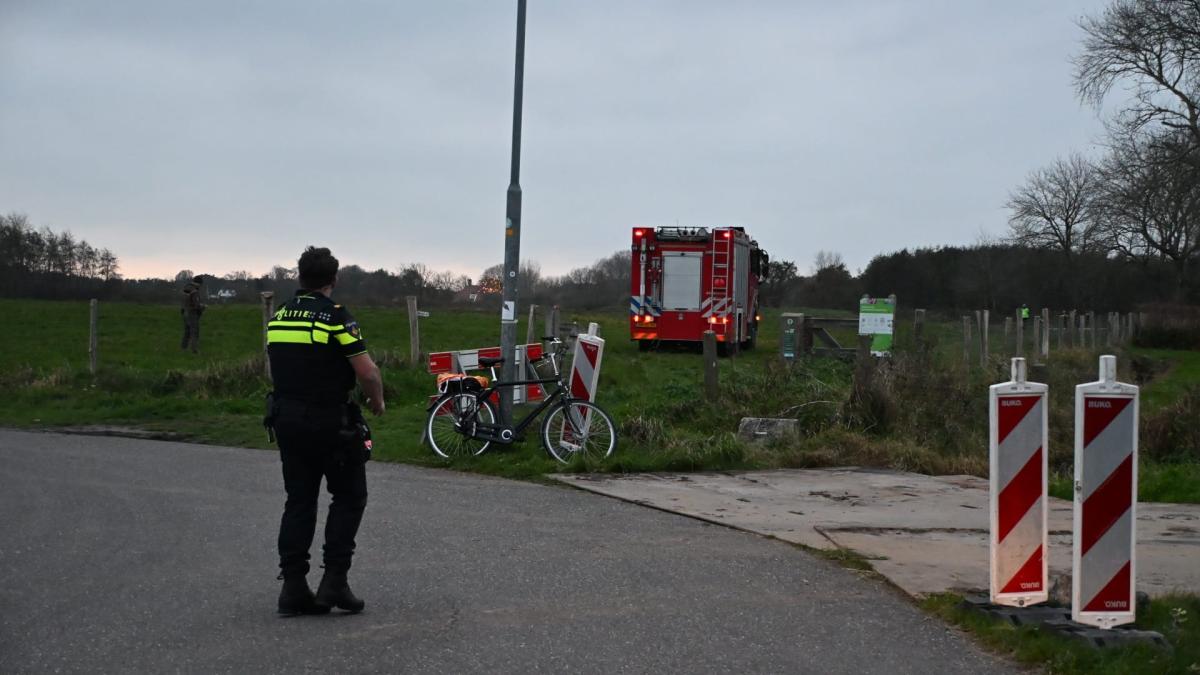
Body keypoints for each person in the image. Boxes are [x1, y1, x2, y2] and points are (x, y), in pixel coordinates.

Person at [265, 246, 385, 616]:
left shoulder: (280, 316)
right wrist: (377, 402)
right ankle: (334, 580)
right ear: (333, 279)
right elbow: (367, 371)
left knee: (299, 500)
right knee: (349, 497)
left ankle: (294, 587)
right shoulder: (335, 317)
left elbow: (273, 367)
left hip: (286, 417)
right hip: (330, 421)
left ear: (300, 277)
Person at [180, 276, 206, 353]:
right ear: (199, 283)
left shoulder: (185, 288)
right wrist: (203, 307)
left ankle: (183, 348)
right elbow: (196, 305)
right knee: (194, 331)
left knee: (187, 332)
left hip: (184, 312)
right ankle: (194, 350)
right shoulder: (194, 291)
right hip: (192, 313)